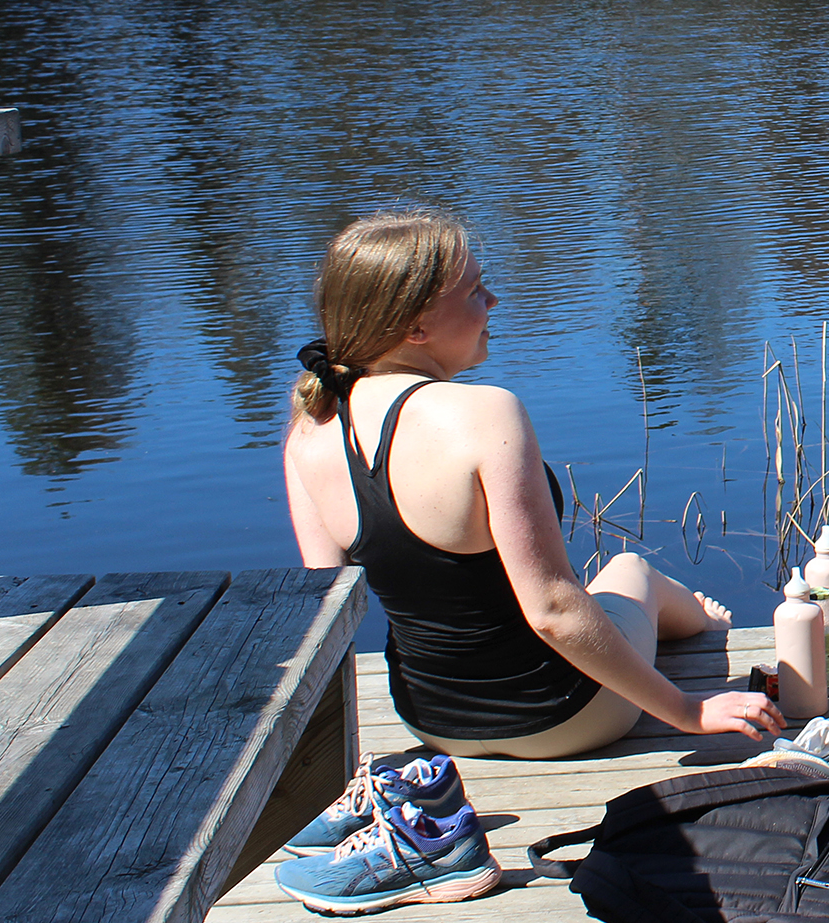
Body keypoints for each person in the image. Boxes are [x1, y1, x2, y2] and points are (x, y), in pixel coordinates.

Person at [282, 211, 783, 761]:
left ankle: (693, 617)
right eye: (475, 290)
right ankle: (708, 624)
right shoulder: (484, 412)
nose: (492, 300)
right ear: (416, 327)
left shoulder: (312, 427)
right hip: (562, 714)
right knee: (630, 570)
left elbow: (324, 606)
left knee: (591, 594)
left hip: (431, 721)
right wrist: (689, 710)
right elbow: (549, 609)